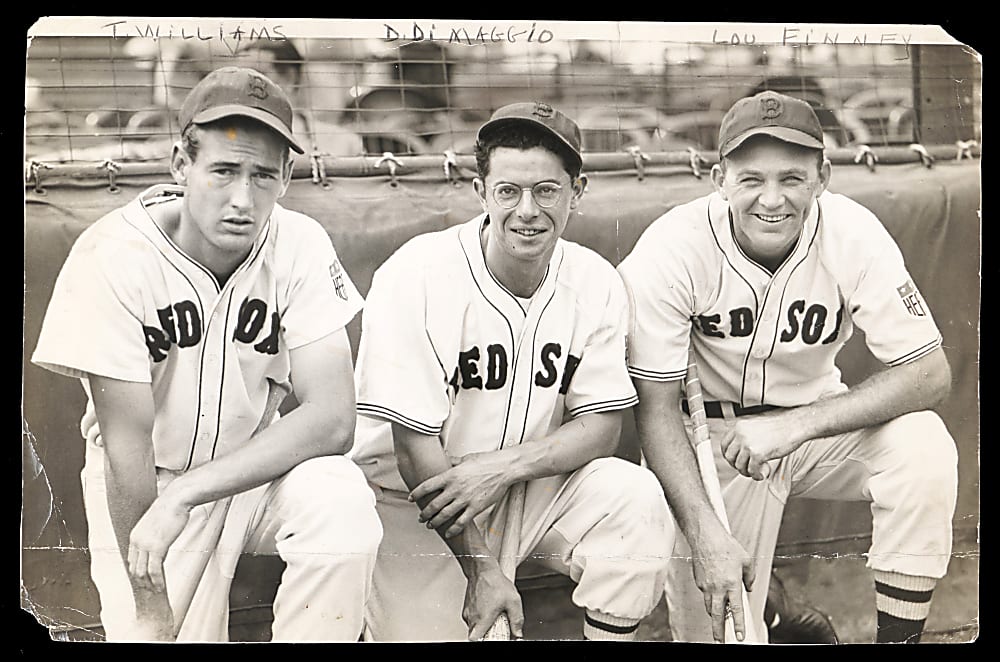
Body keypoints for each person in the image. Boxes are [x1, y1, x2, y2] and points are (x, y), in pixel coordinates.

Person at [31, 66, 382, 642]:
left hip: (258, 471)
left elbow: (333, 419)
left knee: (339, 500)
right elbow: (127, 449)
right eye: (223, 170)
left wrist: (198, 490)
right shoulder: (113, 256)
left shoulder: (299, 243)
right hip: (149, 483)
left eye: (263, 176)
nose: (243, 198)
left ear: (288, 176)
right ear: (180, 165)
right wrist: (149, 603)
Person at [617, 90, 958, 644]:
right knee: (720, 630)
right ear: (718, 178)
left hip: (816, 426)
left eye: (792, 179)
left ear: (822, 176)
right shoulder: (670, 251)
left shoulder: (852, 233)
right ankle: (770, 609)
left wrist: (797, 425)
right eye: (751, 179)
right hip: (709, 444)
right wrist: (706, 538)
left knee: (924, 447)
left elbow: (930, 371)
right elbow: (654, 415)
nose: (771, 199)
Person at [349, 101, 673, 641]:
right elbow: (412, 449)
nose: (527, 209)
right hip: (415, 503)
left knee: (633, 498)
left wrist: (499, 469)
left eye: (547, 190)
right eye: (508, 191)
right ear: (481, 193)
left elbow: (601, 427)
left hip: (529, 489)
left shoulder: (595, 280)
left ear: (578, 191)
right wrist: (482, 569)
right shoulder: (416, 274)